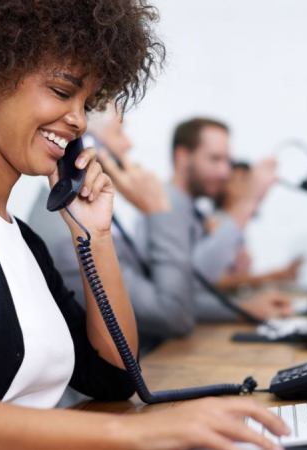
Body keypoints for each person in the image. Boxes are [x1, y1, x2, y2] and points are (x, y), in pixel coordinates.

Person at [0, 2, 288, 449]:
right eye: (62, 92)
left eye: (86, 103)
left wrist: (95, 236)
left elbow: (114, 376)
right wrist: (134, 432)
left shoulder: (22, 239)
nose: (78, 120)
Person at [28, 104, 195, 352]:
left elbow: (179, 299)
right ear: (84, 144)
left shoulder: (92, 213)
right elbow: (173, 316)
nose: (129, 144)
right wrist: (159, 212)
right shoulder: (68, 237)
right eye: (119, 132)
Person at [168, 118, 294, 321]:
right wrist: (249, 200)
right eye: (215, 159)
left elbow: (193, 291)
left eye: (226, 161)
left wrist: (244, 306)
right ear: (182, 156)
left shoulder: (188, 210)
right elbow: (192, 287)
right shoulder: (164, 208)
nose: (225, 172)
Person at [211, 161, 303, 292]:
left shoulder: (237, 227)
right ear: (224, 186)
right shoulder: (215, 224)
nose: (248, 186)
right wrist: (274, 276)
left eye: (249, 181)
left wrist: (279, 276)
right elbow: (217, 281)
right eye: (242, 180)